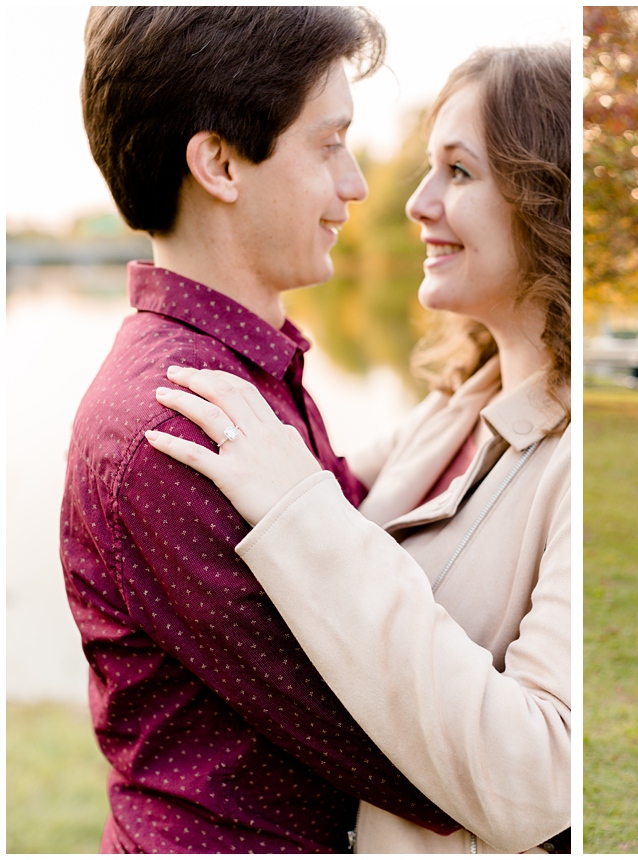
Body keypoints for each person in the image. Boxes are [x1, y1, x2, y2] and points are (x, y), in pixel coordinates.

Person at [145, 45, 573, 853]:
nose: (415, 203)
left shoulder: (577, 465)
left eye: (459, 172)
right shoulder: (456, 411)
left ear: (547, 200)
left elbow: (540, 783)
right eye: (428, 168)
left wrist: (298, 509)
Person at [60, 7, 457, 851]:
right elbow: (400, 748)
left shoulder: (240, 372)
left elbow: (351, 525)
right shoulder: (178, 429)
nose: (354, 184)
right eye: (329, 143)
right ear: (221, 164)